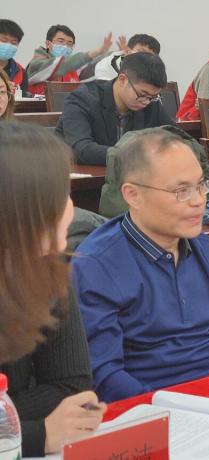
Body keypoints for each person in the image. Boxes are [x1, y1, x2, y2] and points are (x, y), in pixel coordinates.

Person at [74, 130, 209, 402]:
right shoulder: (97, 264)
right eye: (181, 191)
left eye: (201, 185)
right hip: (145, 407)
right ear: (133, 195)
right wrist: (169, 410)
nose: (198, 200)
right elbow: (104, 374)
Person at [0, 123, 107, 456]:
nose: (72, 209)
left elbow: (71, 386)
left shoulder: (47, 268)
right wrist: (38, 434)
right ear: (18, 209)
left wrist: (12, 414)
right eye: (59, 196)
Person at [55, 52, 173, 166]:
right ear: (122, 80)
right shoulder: (83, 99)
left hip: (130, 175)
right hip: (82, 175)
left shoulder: (151, 102)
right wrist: (134, 155)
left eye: (153, 97)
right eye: (142, 94)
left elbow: (176, 137)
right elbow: (82, 149)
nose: (146, 102)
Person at [26, 25, 112, 95]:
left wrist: (116, 56)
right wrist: (97, 51)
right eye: (61, 41)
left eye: (69, 43)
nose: (65, 46)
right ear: (48, 44)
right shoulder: (37, 64)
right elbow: (62, 65)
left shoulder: (72, 69)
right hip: (39, 110)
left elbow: (95, 69)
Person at [88, 33, 161, 82]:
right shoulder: (108, 65)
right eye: (141, 51)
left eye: (149, 55)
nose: (144, 57)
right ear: (128, 50)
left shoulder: (151, 72)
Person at [0, 19, 26, 93]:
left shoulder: (20, 71)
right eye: (4, 41)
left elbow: (25, 97)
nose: (8, 45)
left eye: (13, 43)